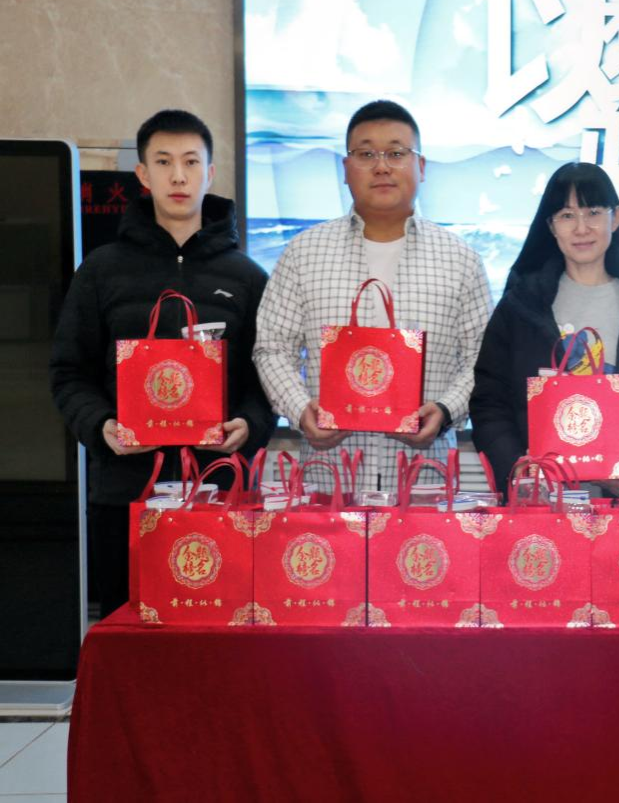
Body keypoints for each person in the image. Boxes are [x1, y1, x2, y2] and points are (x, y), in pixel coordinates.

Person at [50, 109, 275, 617]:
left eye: (191, 162)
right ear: (143, 174)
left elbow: (268, 377)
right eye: (164, 161)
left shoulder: (247, 277)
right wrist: (101, 426)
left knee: (217, 636)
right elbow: (68, 372)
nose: (178, 176)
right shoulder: (101, 271)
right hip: (125, 493)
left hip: (220, 489)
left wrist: (250, 423)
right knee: (129, 634)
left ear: (210, 173)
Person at [254, 100, 491, 489]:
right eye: (366, 154)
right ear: (345, 169)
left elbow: (481, 358)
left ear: (422, 166)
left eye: (396, 153)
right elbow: (272, 348)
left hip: (424, 484)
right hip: (329, 481)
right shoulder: (303, 253)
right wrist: (299, 411)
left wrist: (446, 411)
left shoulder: (460, 259)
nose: (382, 166)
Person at [470, 162, 619, 496]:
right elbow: (490, 401)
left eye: (593, 212)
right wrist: (518, 472)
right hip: (541, 507)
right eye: (567, 215)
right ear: (551, 226)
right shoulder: (522, 304)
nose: (581, 228)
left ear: (615, 218)